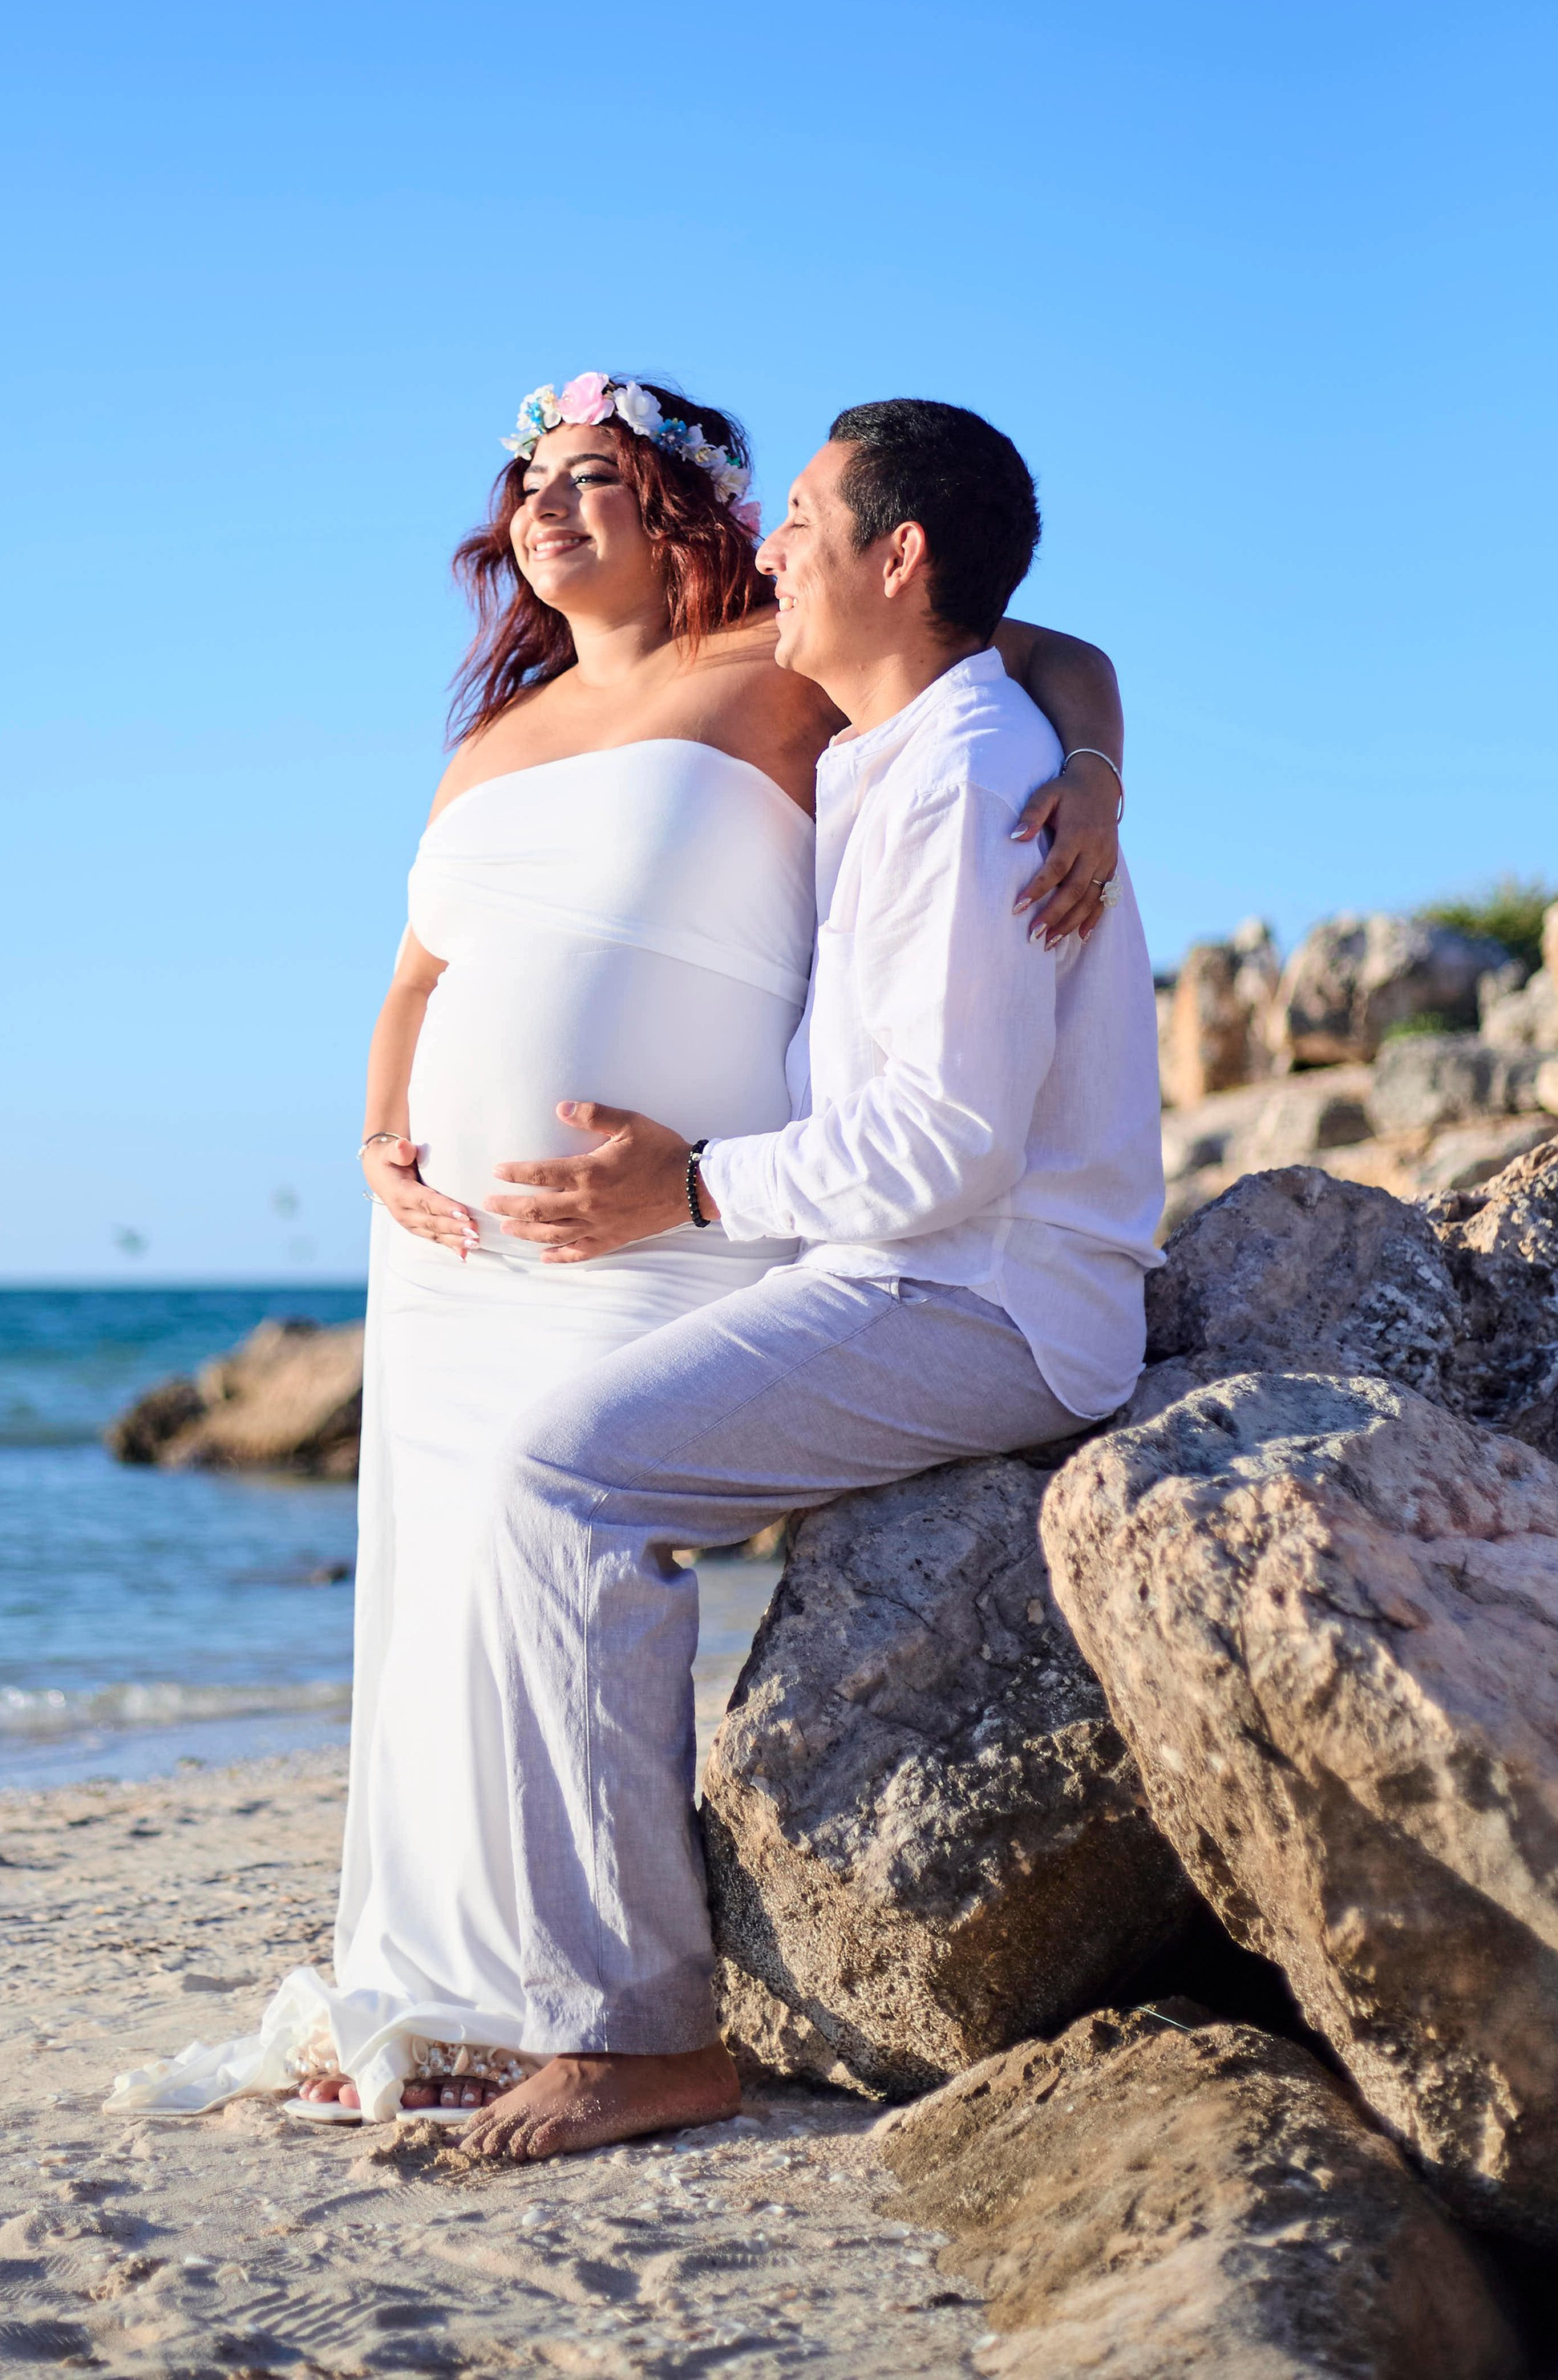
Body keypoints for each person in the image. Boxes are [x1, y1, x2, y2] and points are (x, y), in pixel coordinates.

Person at [107, 375, 1127, 2128]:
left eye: (591, 475)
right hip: (474, 1247)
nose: (543, 505)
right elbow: (421, 972)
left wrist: (1094, 761)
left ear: (693, 511)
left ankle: (621, 2022)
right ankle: (446, 1995)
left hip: (750, 1235)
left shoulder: (818, 684)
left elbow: (1005, 645)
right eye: (525, 481)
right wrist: (377, 1138)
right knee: (439, 1598)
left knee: (559, 1508)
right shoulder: (497, 740)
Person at [448, 395, 1165, 2166]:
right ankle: (554, 1983)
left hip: (977, 1295)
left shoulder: (974, 776)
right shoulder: (895, 746)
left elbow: (946, 1146)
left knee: (563, 1481)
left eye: (803, 519)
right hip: (876, 1261)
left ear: (894, 556)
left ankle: (639, 2036)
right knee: (542, 1460)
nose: (771, 548)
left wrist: (678, 1189)